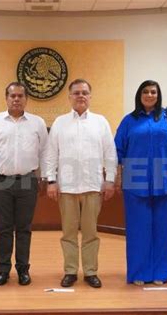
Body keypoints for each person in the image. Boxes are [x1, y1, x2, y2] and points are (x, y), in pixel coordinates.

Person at [115, 80, 167, 286]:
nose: (150, 95)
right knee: (138, 229)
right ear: (139, 95)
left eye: (153, 92)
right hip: (135, 180)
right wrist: (118, 176)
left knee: (164, 228)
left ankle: (161, 272)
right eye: (146, 92)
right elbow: (118, 150)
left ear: (158, 95)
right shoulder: (129, 121)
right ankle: (139, 272)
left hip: (165, 179)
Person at [46, 78, 117, 288]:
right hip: (66, 187)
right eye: (76, 93)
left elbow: (110, 154)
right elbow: (51, 154)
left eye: (84, 92)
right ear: (69, 97)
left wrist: (110, 180)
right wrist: (51, 180)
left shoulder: (100, 122)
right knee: (68, 233)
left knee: (90, 233)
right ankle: (70, 271)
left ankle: (90, 271)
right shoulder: (60, 122)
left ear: (90, 96)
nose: (80, 96)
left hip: (93, 186)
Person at [0, 82, 48, 286]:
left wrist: (45, 177)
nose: (17, 99)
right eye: (13, 96)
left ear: (26, 99)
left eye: (20, 96)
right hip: (0, 180)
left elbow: (45, 152)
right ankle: (3, 269)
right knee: (3, 228)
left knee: (24, 228)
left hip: (28, 180)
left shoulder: (37, 123)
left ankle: (23, 269)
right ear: (6, 98)